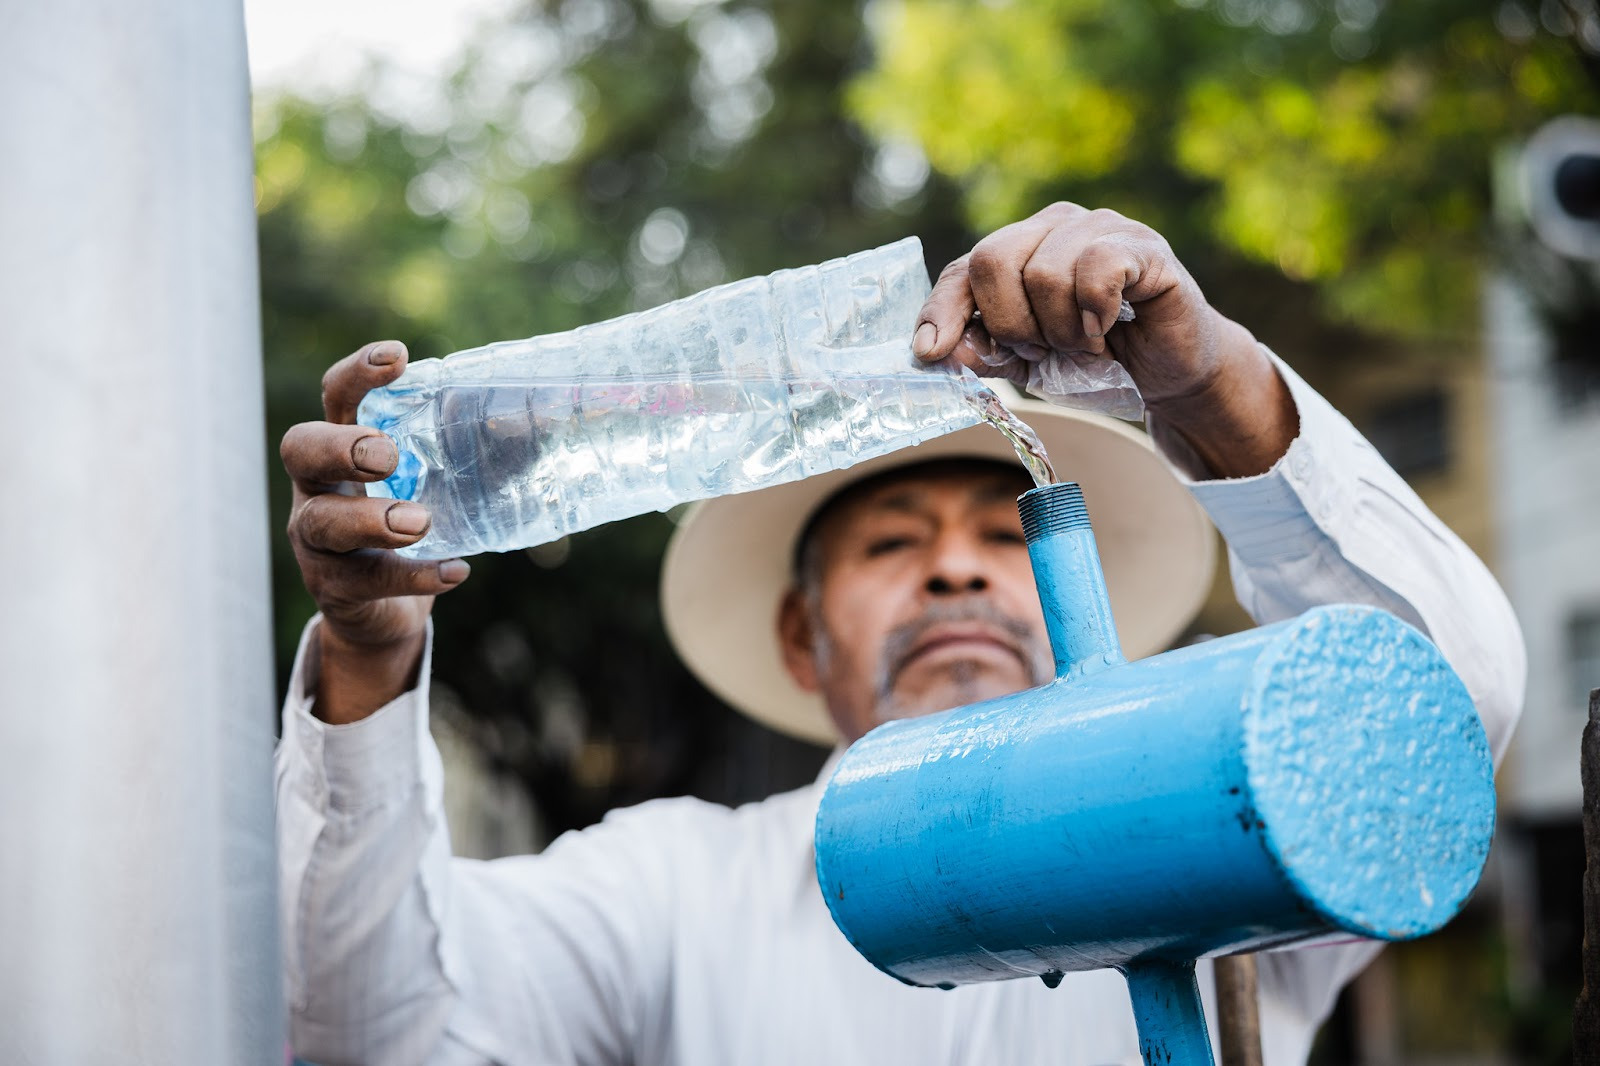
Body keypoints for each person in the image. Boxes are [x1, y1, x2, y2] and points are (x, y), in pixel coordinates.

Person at [275, 203, 1523, 1066]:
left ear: (1072, 572)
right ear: (801, 641)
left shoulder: (1215, 812)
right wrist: (370, 666)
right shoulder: (677, 888)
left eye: (1001, 531)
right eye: (889, 544)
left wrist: (1212, 384)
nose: (951, 572)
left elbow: (1436, 725)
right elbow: (375, 1033)